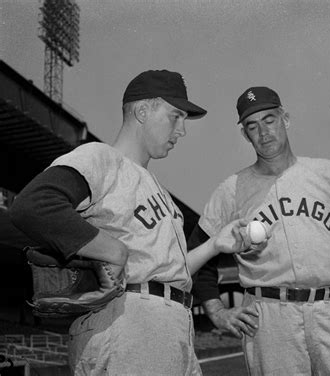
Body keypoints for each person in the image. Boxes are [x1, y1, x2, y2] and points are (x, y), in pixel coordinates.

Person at [9, 70, 252, 376]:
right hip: (130, 324)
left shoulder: (158, 190)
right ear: (142, 111)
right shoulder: (100, 157)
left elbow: (168, 272)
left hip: (172, 325)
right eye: (175, 116)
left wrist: (215, 245)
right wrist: (112, 249)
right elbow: (33, 204)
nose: (182, 130)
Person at [189, 86, 330, 375]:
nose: (263, 132)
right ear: (244, 134)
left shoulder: (326, 173)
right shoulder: (231, 190)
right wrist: (216, 311)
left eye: (270, 120)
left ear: (285, 118)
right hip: (269, 318)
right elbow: (199, 251)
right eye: (253, 125)